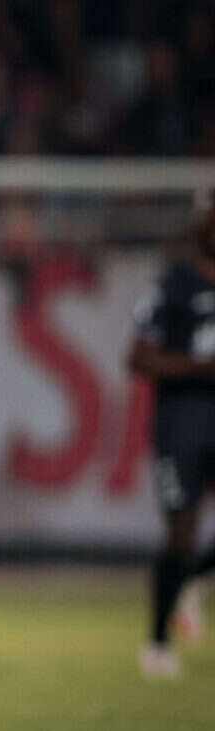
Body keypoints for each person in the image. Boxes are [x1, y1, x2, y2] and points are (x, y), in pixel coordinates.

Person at [127, 187, 215, 679]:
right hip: (181, 420)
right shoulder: (176, 283)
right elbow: (138, 357)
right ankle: (158, 643)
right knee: (181, 531)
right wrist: (199, 367)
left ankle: (192, 582)